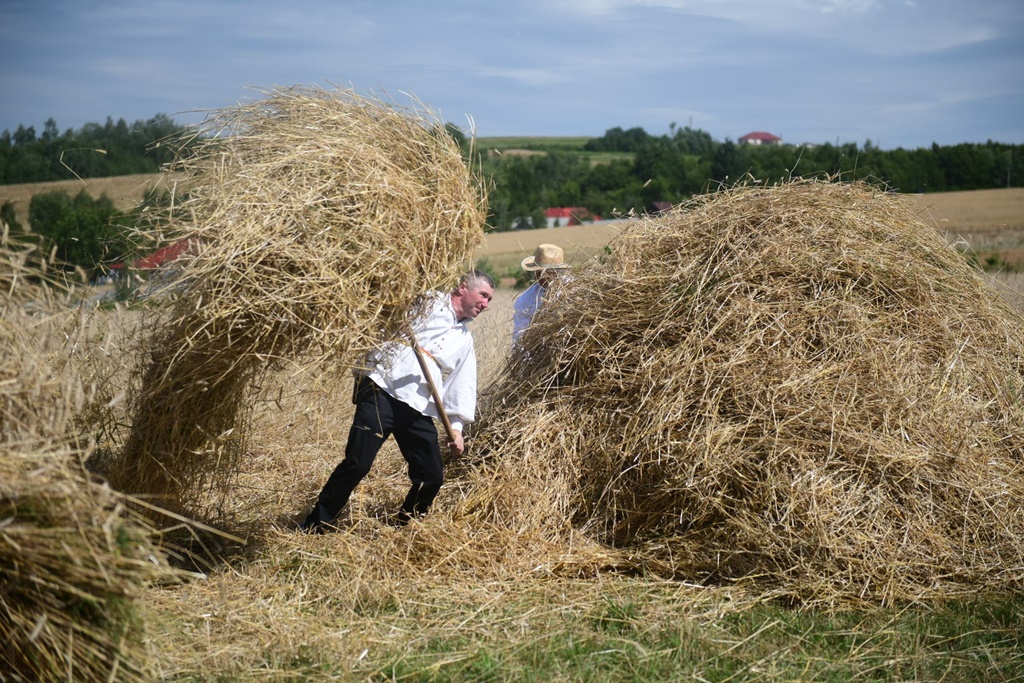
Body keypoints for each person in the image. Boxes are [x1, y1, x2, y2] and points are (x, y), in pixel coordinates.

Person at [300, 270, 495, 532]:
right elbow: (388, 298)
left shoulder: (464, 340)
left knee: (432, 476)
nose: (486, 304)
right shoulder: (427, 302)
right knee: (357, 463)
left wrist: (457, 429)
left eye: (490, 300)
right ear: (462, 288)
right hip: (382, 388)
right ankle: (316, 525)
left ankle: (406, 528)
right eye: (483, 295)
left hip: (417, 407)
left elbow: (463, 384)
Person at [512, 243, 571, 345]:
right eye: (538, 273)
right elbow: (520, 336)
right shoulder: (525, 301)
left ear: (558, 272)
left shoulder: (574, 289)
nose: (540, 277)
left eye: (547, 273)